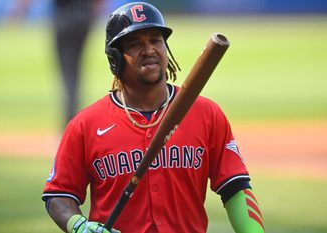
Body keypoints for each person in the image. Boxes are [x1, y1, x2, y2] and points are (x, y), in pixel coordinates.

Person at [42, 2, 265, 233]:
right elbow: (58, 195)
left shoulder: (206, 114)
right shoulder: (86, 125)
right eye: (135, 44)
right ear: (115, 59)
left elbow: (235, 188)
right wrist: (78, 225)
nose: (149, 49)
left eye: (155, 40)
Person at [10, 0, 104, 125]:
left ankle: (70, 124)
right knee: (76, 71)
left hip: (64, 20)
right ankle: (76, 120)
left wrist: (20, 9)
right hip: (84, 19)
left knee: (68, 74)